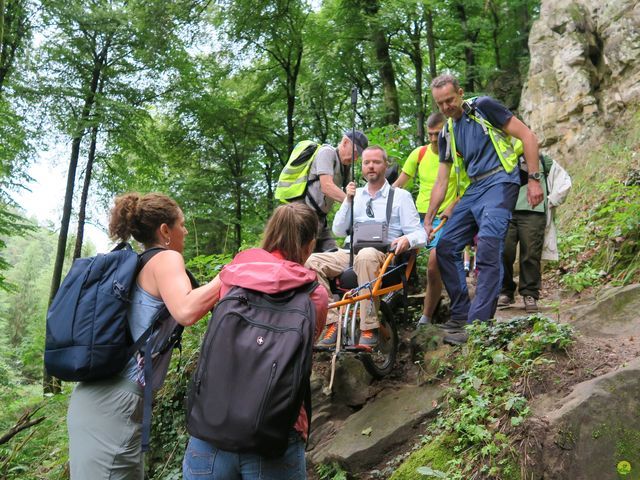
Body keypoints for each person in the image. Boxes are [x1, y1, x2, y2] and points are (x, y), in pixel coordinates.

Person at [67, 192, 221, 480]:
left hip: (101, 401)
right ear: (165, 230)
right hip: (114, 405)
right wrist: (229, 275)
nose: (185, 231)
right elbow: (187, 310)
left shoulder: (139, 266)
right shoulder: (166, 260)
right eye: (182, 224)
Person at [182, 202, 328, 480]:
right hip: (274, 437)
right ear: (310, 245)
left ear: (270, 232)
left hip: (210, 431)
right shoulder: (314, 294)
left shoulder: (233, 277)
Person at [424, 74, 544, 345]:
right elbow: (442, 179)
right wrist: (429, 217)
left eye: (450, 100)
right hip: (475, 188)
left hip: (501, 180)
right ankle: (461, 314)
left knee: (489, 248)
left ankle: (478, 325)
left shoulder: (484, 107)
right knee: (445, 246)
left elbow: (527, 135)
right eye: (440, 103)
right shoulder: (447, 131)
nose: (446, 107)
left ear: (461, 92)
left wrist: (534, 180)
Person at [307, 145, 427, 347]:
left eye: (376, 162)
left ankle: (369, 327)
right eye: (366, 162)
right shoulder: (357, 195)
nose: (371, 166)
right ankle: (332, 321)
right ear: (362, 167)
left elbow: (420, 234)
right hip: (350, 254)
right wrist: (347, 200)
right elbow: (338, 230)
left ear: (385, 165)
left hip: (384, 258)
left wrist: (407, 240)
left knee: (367, 255)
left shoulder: (400, 197)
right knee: (311, 261)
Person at [392, 112, 462, 326]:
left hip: (443, 217)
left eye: (437, 134)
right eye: (430, 134)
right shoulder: (419, 154)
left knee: (434, 264)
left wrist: (451, 207)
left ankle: (427, 316)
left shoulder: (457, 154)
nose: (433, 139)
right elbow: (400, 183)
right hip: (418, 217)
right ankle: (395, 307)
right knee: (397, 258)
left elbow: (466, 188)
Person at [498, 154, 572, 312]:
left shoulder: (544, 161)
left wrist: (549, 201)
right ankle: (505, 291)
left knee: (531, 254)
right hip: (506, 211)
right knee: (503, 251)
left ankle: (529, 293)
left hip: (534, 212)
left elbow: (564, 181)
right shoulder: (503, 158)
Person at [275, 131, 369, 252]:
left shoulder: (345, 166)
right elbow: (327, 186)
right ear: (345, 142)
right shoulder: (327, 152)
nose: (356, 158)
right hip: (302, 217)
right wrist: (354, 204)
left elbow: (351, 193)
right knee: (298, 256)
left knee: (332, 256)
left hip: (319, 221)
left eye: (358, 156)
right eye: (355, 153)